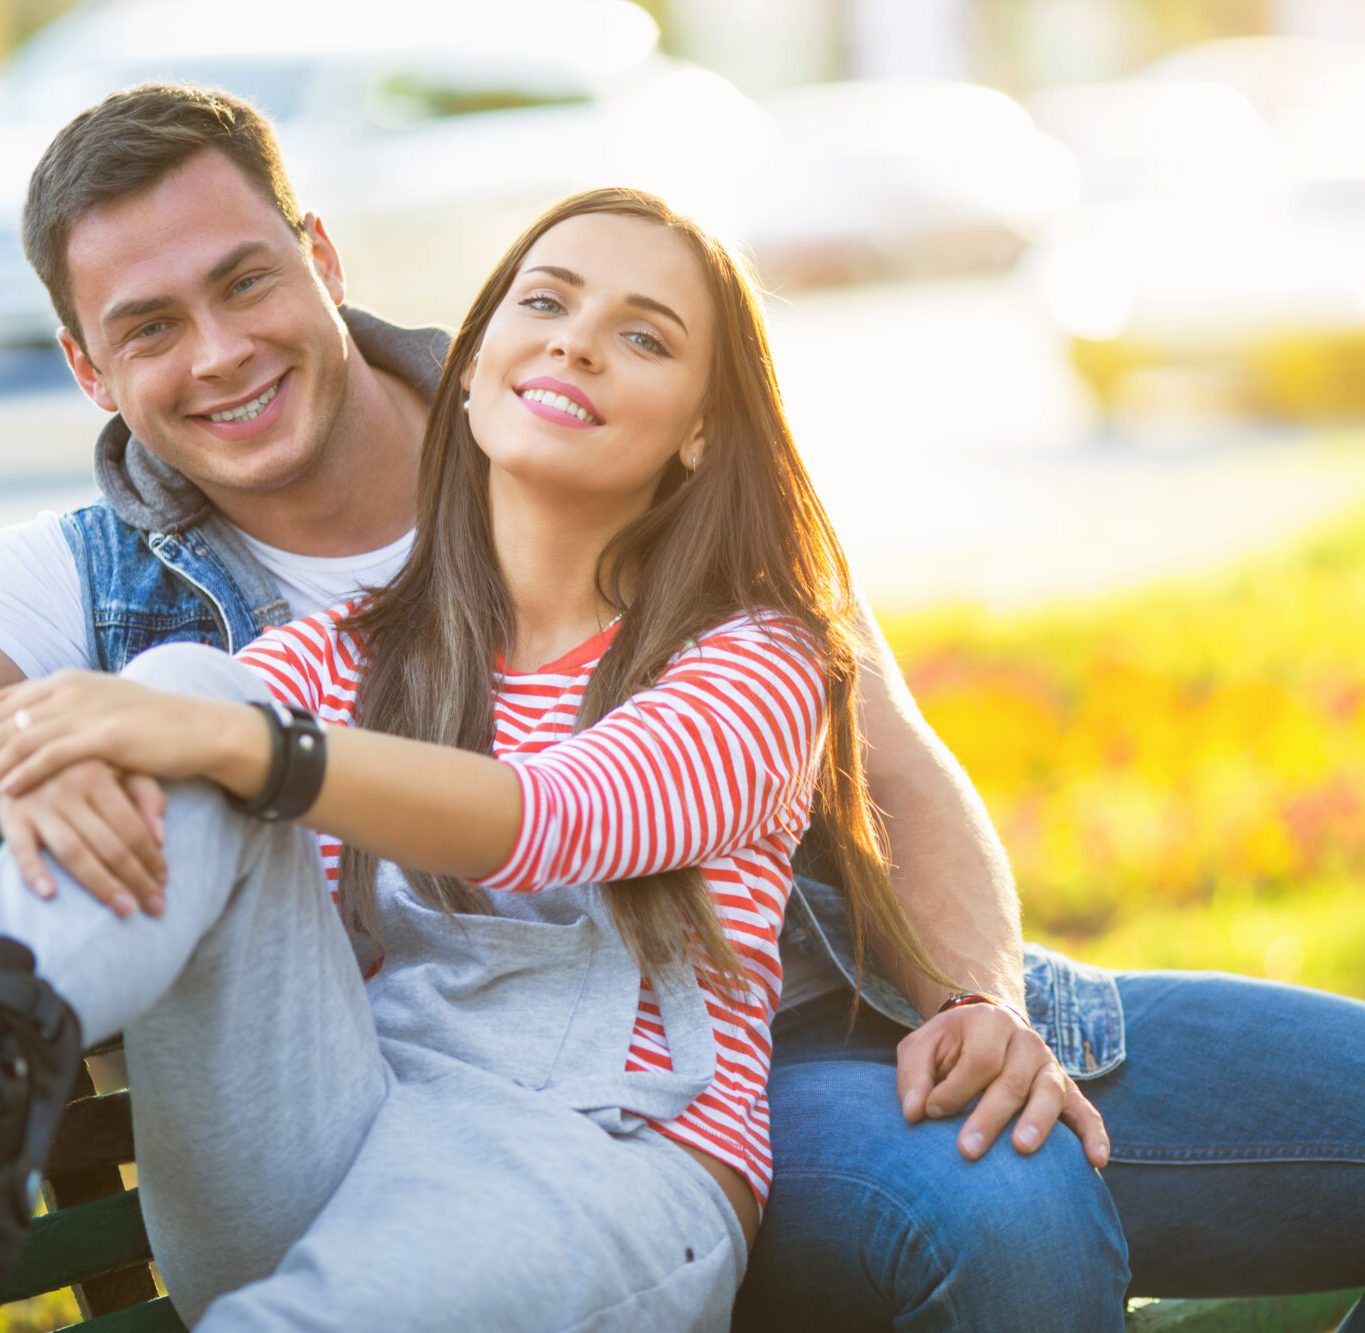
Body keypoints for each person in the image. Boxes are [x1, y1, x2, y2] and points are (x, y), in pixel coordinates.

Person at [0, 84, 1360, 1329]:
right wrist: (105, 731)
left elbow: (697, 788)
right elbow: (211, 728)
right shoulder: (164, 599)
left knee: (1023, 1165)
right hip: (388, 1114)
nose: (223, 351)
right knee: (177, 684)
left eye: (246, 281)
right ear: (88, 366)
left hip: (790, 1041)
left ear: (323, 258)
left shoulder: (716, 589)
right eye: (152, 327)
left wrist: (974, 997)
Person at [0, 184, 951, 1327]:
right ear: (476, 355)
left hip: (601, 1160)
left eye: (642, 335)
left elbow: (561, 815)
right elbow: (184, 740)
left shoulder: (759, 658)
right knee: (182, 685)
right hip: (329, 1139)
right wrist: (101, 742)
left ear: (704, 423)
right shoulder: (355, 649)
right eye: (545, 302)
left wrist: (253, 748)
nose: (575, 343)